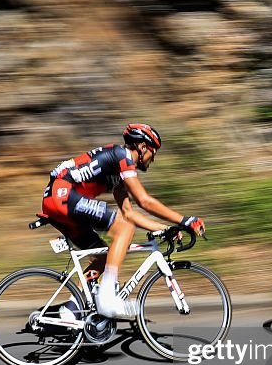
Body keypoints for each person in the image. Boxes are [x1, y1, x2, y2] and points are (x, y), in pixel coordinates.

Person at [41, 123, 205, 320]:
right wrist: (186, 220)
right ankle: (107, 298)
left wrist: (166, 228)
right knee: (124, 229)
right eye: (153, 152)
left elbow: (129, 212)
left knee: (104, 257)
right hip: (64, 196)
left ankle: (70, 311)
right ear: (143, 147)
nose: (153, 158)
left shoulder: (117, 172)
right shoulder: (122, 156)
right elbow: (144, 202)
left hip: (56, 201)